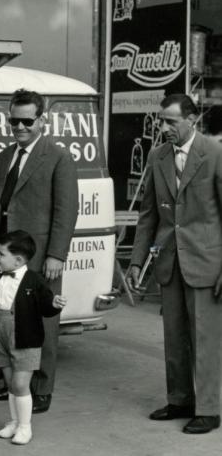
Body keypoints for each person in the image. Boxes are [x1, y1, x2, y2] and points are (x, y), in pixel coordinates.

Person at [128, 93, 222, 435]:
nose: (163, 127)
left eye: (171, 121)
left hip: (207, 262)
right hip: (170, 261)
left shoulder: (214, 153)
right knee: (174, 336)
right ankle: (180, 400)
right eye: (160, 120)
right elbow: (148, 214)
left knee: (205, 339)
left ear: (192, 119)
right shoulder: (157, 156)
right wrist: (137, 262)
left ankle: (209, 409)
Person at [0, 89, 78, 413]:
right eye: (13, 121)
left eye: (27, 121)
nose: (19, 127)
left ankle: (42, 388)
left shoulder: (58, 157)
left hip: (39, 257)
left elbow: (66, 210)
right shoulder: (4, 157)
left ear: (42, 120)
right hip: (6, 255)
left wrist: (56, 255)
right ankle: (13, 385)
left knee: (42, 323)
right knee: (6, 320)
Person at [0, 230, 66, 445]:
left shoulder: (34, 280)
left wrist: (54, 304)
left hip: (25, 337)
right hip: (1, 334)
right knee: (10, 383)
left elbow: (46, 306)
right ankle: (14, 421)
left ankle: (25, 427)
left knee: (20, 384)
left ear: (18, 260)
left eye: (1, 254)